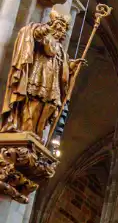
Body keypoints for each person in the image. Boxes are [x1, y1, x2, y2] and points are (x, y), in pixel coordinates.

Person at [1, 10, 86, 140]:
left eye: (63, 28)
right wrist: (49, 27)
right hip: (39, 76)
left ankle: (37, 133)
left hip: (53, 83)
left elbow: (64, 66)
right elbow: (36, 35)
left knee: (49, 106)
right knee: (34, 101)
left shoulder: (61, 50)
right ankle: (25, 129)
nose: (61, 30)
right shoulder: (44, 36)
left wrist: (72, 66)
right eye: (59, 26)